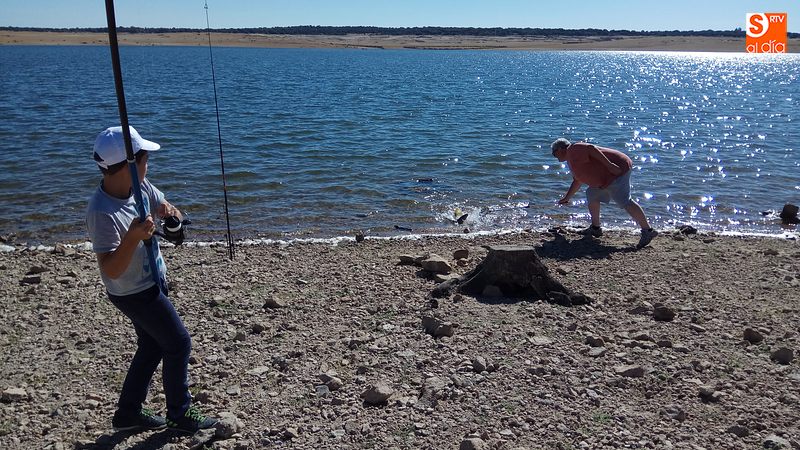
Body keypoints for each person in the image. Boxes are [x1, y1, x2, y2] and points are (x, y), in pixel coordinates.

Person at [85, 126, 218, 434]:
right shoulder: (101, 211)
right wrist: (132, 237)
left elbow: (165, 206)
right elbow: (111, 269)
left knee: (152, 345)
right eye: (145, 158)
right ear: (130, 164)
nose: (149, 165)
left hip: (153, 280)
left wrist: (173, 218)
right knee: (178, 342)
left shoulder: (140, 186)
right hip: (131, 291)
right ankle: (179, 412)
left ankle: (128, 412)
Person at [550, 138, 658, 248]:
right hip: (606, 178)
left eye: (554, 153)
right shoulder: (571, 161)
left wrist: (610, 165)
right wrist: (567, 198)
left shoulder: (573, 149)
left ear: (560, 149)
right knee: (592, 194)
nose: (554, 156)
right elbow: (578, 181)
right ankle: (596, 228)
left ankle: (648, 230)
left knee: (624, 201)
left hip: (618, 169)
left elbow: (591, 149)